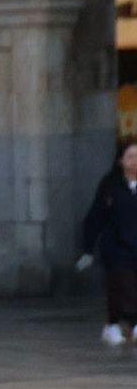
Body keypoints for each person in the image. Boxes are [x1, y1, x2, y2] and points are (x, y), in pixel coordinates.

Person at [76, 138, 137, 345]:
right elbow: (95, 217)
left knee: (122, 290)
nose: (135, 161)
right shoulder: (110, 185)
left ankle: (114, 324)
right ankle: (127, 324)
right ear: (121, 160)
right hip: (117, 247)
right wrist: (88, 249)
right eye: (130, 156)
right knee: (124, 286)